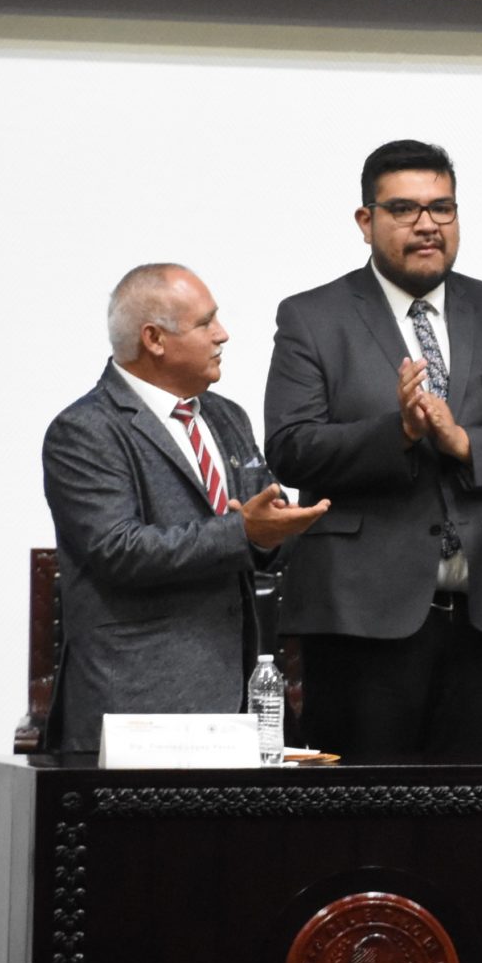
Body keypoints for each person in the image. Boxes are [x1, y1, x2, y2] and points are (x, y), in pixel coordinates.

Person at [264, 139, 482, 760]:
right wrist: (399, 433)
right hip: (361, 615)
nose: (428, 224)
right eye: (405, 209)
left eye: (443, 208)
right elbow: (291, 447)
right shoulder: (313, 317)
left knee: (477, 826)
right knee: (364, 817)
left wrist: (465, 442)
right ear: (366, 221)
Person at [43, 264, 330, 752]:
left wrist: (279, 531)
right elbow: (119, 550)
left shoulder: (225, 416)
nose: (223, 335)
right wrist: (245, 532)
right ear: (154, 338)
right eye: (205, 323)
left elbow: (260, 525)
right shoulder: (85, 430)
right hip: (135, 706)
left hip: (234, 704)